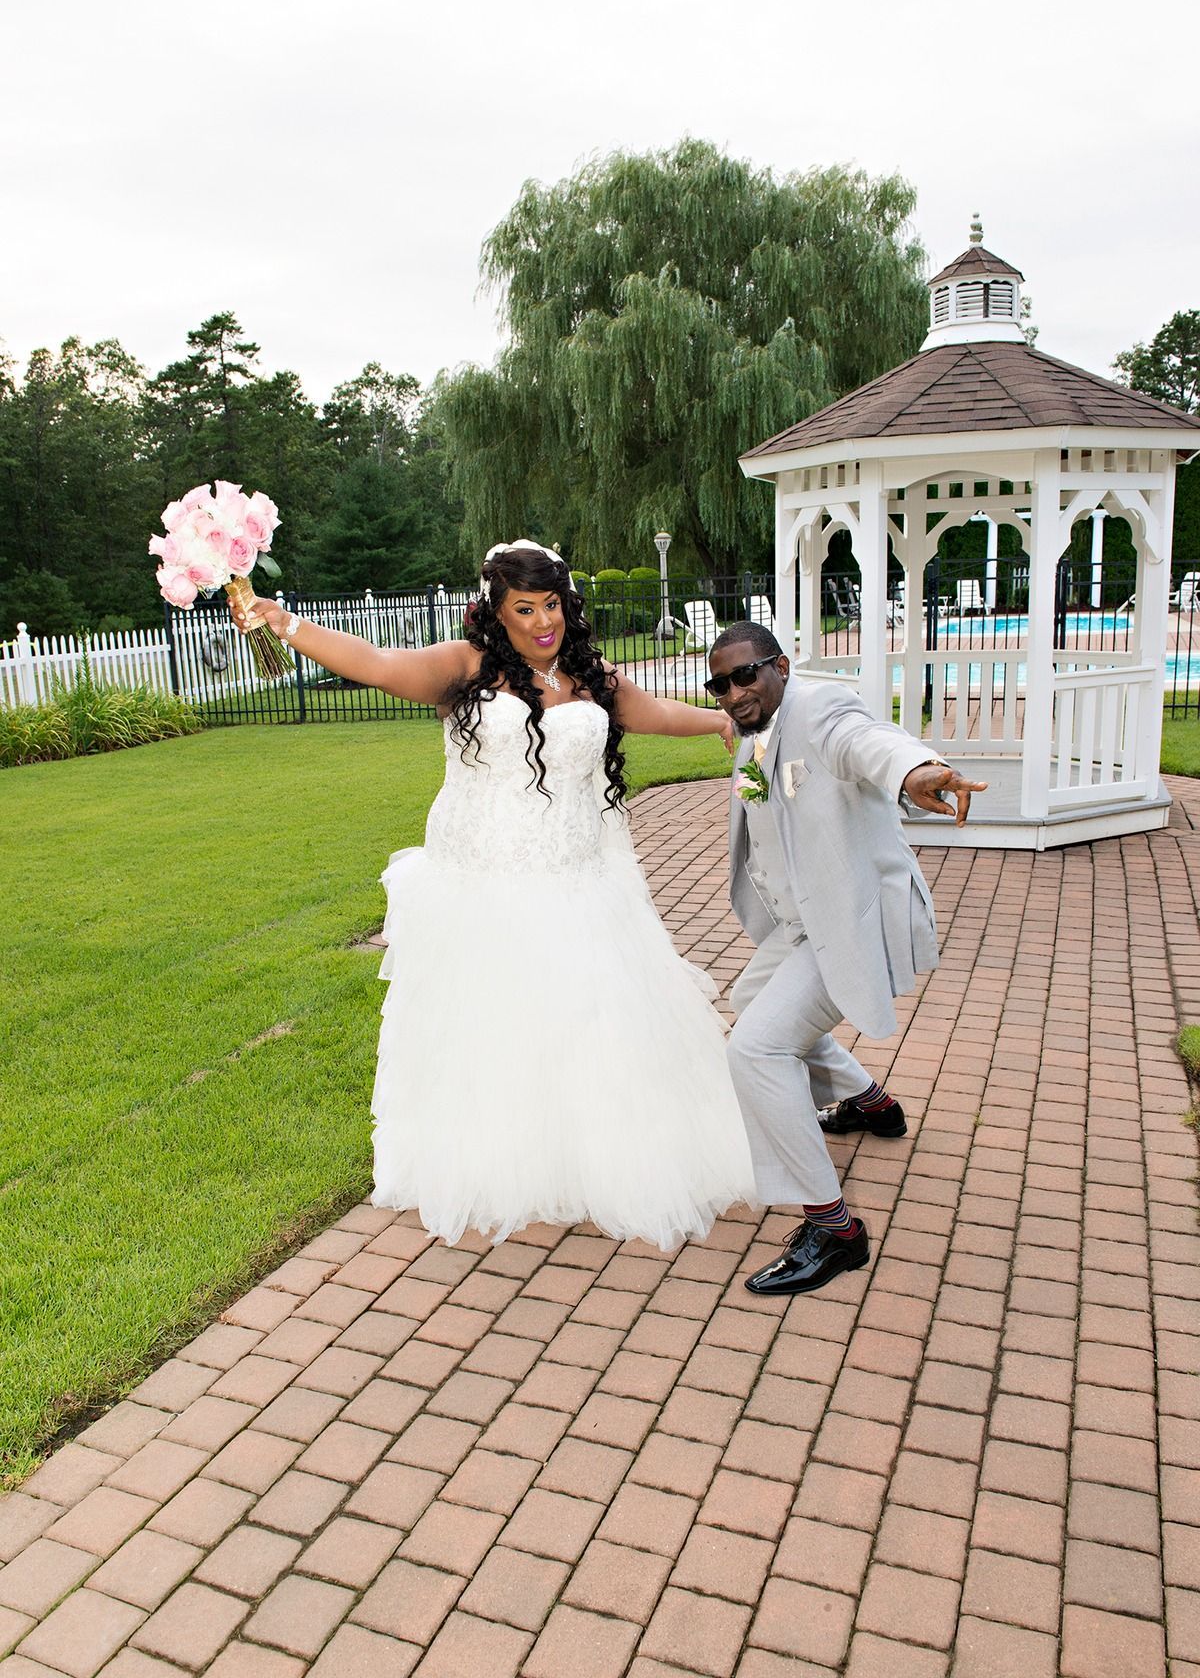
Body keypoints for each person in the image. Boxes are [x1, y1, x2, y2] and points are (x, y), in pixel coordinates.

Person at [230, 543, 756, 1249]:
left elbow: (653, 713)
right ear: (496, 611)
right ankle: (510, 1164)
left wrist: (717, 721)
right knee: (498, 1025)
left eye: (553, 606)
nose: (544, 623)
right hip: (484, 884)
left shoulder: (589, 674)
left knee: (587, 1020)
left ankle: (591, 1158)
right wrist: (285, 624)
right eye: (526, 610)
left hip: (580, 879)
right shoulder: (463, 668)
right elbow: (376, 663)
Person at [705, 622, 986, 1296]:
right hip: (804, 927)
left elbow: (870, 743)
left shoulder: (821, 707)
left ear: (781, 665)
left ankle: (834, 1229)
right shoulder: (752, 734)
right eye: (721, 684)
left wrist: (918, 769)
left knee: (756, 1050)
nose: (735, 692)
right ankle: (872, 1104)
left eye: (747, 675)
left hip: (853, 924)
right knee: (751, 1004)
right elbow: (762, 806)